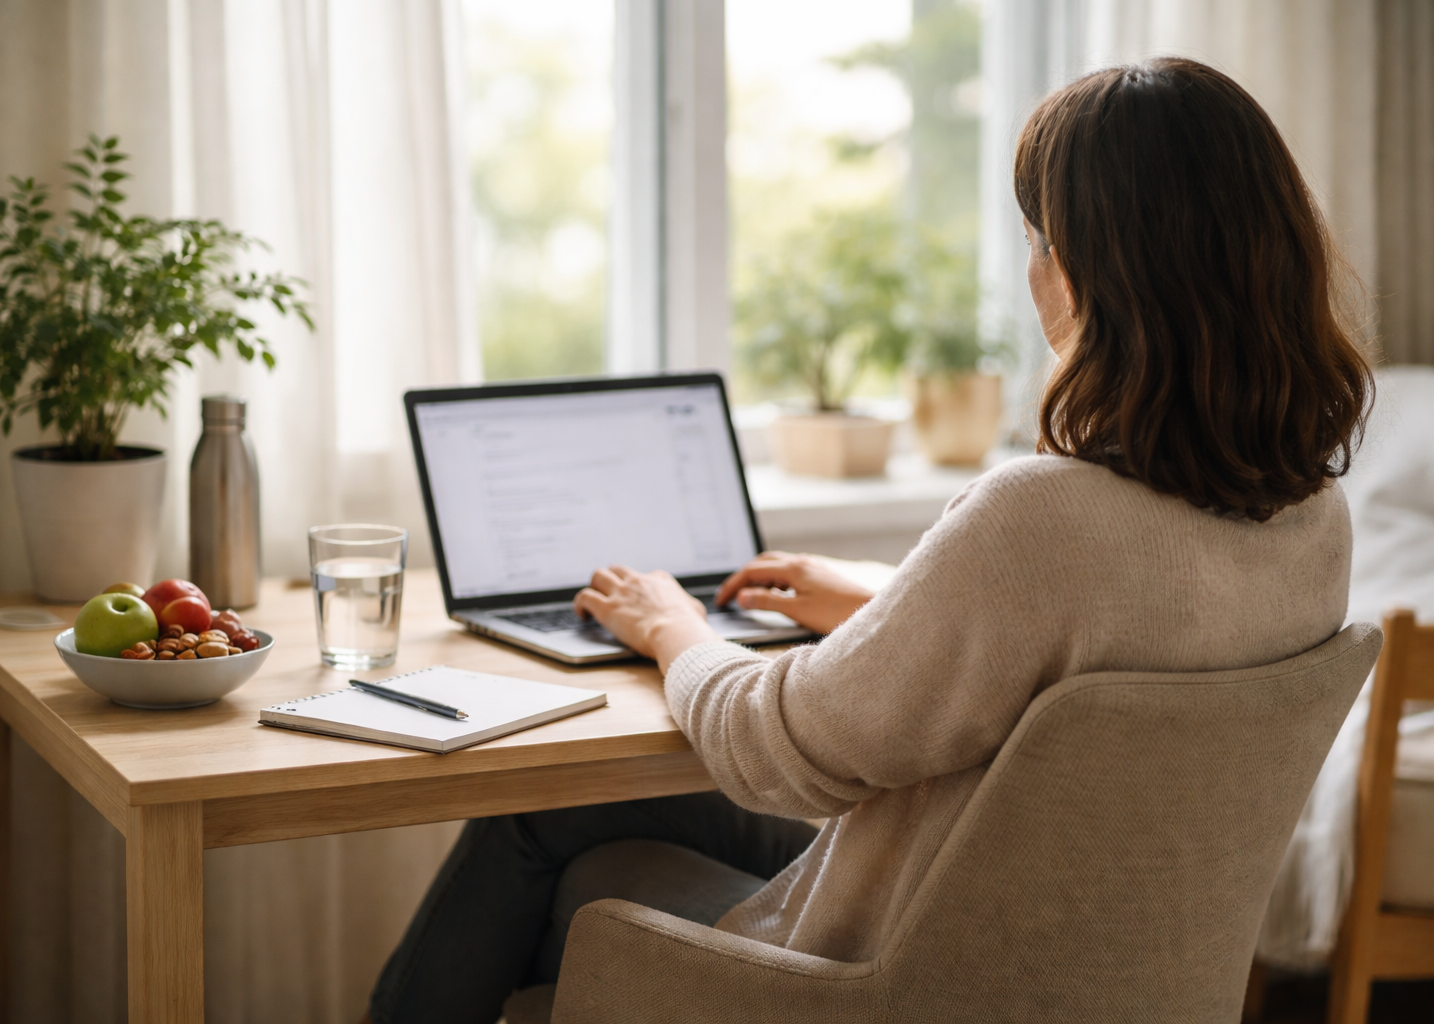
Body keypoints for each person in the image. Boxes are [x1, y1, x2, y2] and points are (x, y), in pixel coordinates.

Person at [367, 57, 1373, 1023]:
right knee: (574, 817)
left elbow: (780, 751)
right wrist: (885, 602)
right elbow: (1130, 624)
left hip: (904, 990)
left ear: (1081, 275)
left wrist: (672, 626)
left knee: (570, 854)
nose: (1036, 271)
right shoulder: (1310, 522)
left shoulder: (1036, 521)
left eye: (1041, 238)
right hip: (1074, 975)